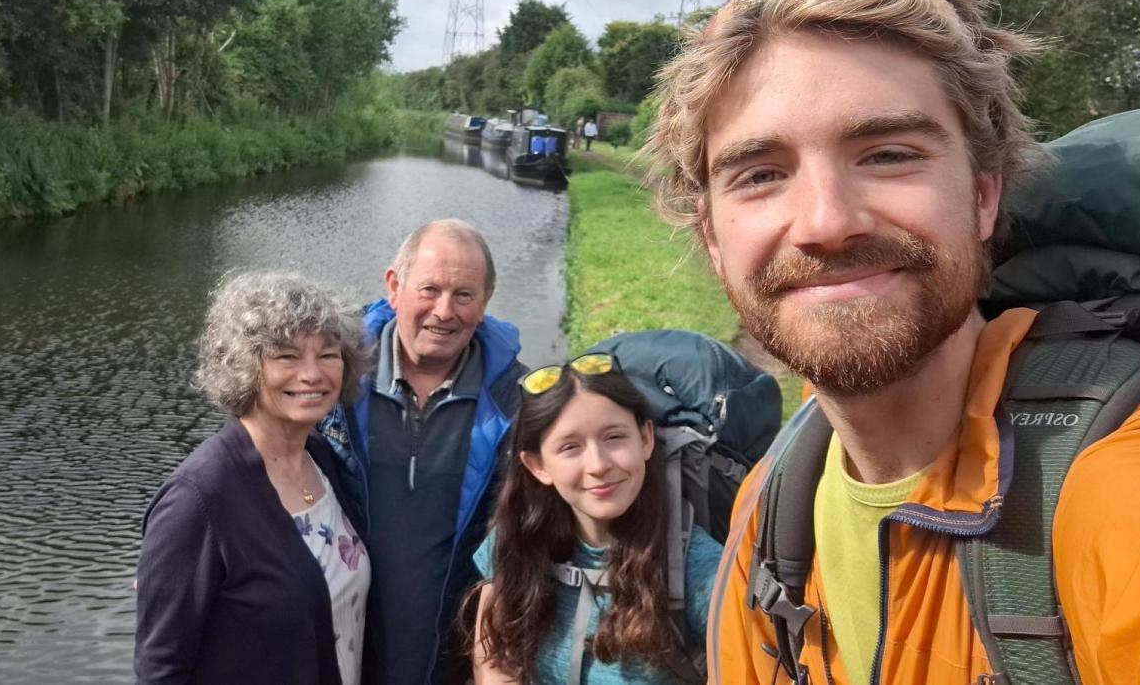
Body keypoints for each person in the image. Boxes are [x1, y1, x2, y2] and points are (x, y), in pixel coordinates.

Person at [644, 0, 1140, 684]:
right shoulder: (770, 504)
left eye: (885, 154)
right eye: (760, 175)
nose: (825, 221)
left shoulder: (1125, 492)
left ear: (981, 195)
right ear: (712, 238)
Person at [135, 272, 371, 685]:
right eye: (287, 356)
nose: (312, 374)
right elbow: (161, 670)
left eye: (328, 354)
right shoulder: (197, 500)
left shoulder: (322, 458)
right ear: (246, 365)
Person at [318, 218, 526, 684]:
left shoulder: (518, 403)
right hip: (340, 657)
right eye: (429, 289)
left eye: (465, 295)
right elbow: (258, 459)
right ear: (394, 287)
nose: (444, 311)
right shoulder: (332, 382)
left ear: (485, 302)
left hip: (454, 661)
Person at [471, 354, 722, 683]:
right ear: (537, 466)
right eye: (570, 447)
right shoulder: (515, 540)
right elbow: (493, 660)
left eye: (614, 437)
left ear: (645, 438)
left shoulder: (699, 567)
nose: (598, 465)